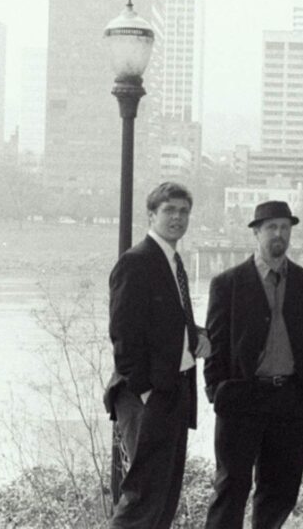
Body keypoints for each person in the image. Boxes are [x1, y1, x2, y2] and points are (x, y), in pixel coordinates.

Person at [203, 201, 303, 529]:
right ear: (256, 233)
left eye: (285, 228)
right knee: (231, 489)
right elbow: (215, 347)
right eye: (271, 227)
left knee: (280, 494)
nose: (279, 234)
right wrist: (218, 391)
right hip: (243, 399)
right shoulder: (227, 284)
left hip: (291, 401)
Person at [104, 181, 211, 529]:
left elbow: (163, 322)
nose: (178, 218)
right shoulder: (136, 262)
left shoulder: (172, 262)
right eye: (169, 210)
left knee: (164, 499)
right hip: (147, 396)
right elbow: (123, 334)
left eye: (184, 211)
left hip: (174, 390)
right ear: (151, 215)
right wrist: (145, 391)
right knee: (141, 498)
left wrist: (194, 337)